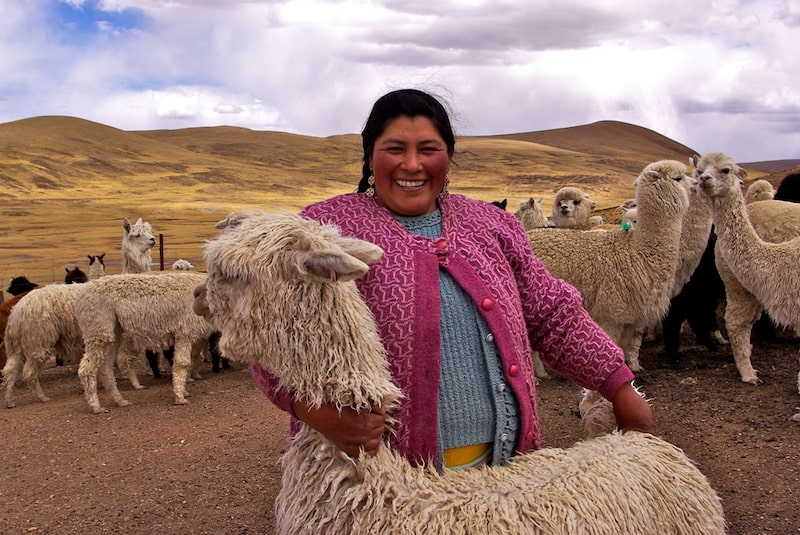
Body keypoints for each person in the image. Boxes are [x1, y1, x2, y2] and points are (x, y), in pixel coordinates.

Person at [250, 88, 655, 470]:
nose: (412, 165)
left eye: (429, 149)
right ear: (370, 157)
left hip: (507, 475)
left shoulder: (491, 225)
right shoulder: (324, 230)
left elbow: (553, 316)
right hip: (380, 485)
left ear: (448, 156)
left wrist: (619, 386)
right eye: (395, 149)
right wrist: (313, 411)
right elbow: (266, 330)